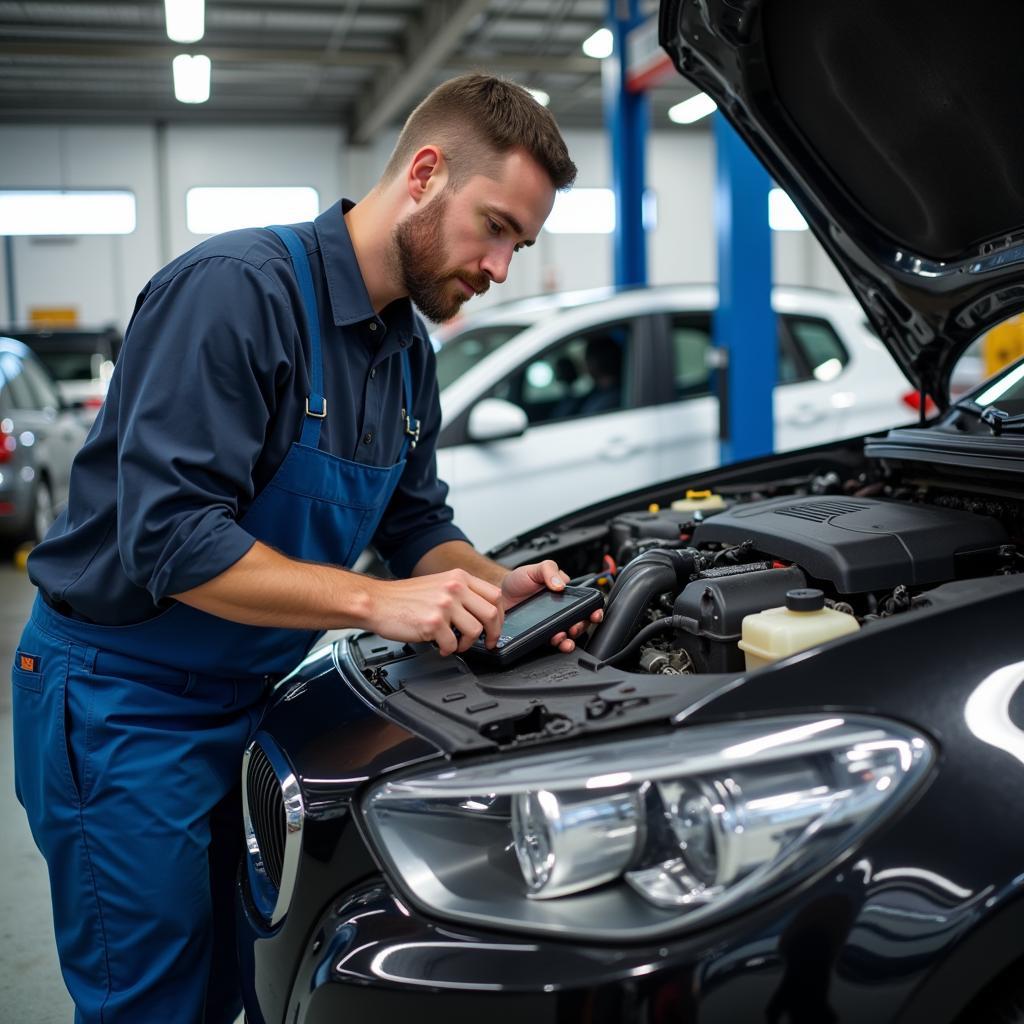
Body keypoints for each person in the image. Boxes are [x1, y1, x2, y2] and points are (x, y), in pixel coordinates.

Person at [11, 74, 598, 1023]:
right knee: (150, 1004)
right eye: (494, 227)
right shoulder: (237, 294)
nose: (501, 267)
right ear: (424, 172)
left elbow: (417, 526)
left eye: (519, 246)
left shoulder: (407, 355)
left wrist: (501, 587)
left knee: (241, 990)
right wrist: (376, 602)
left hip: (251, 711)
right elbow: (170, 538)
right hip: (122, 702)